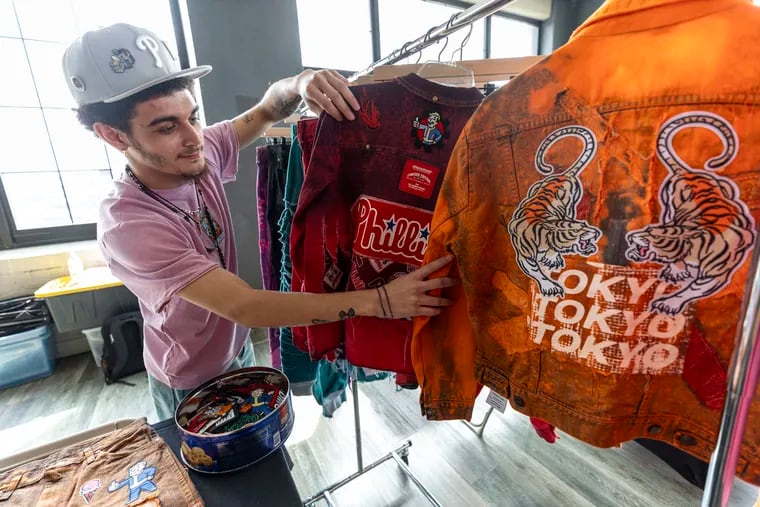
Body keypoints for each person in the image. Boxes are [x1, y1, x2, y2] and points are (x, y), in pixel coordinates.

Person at [62, 23, 455, 420]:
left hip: (237, 347)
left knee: (262, 458)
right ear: (113, 136)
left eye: (192, 117)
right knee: (213, 479)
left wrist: (301, 82)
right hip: (188, 376)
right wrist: (381, 301)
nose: (193, 137)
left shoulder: (199, 151)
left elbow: (267, 110)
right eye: (167, 127)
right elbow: (245, 305)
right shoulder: (128, 224)